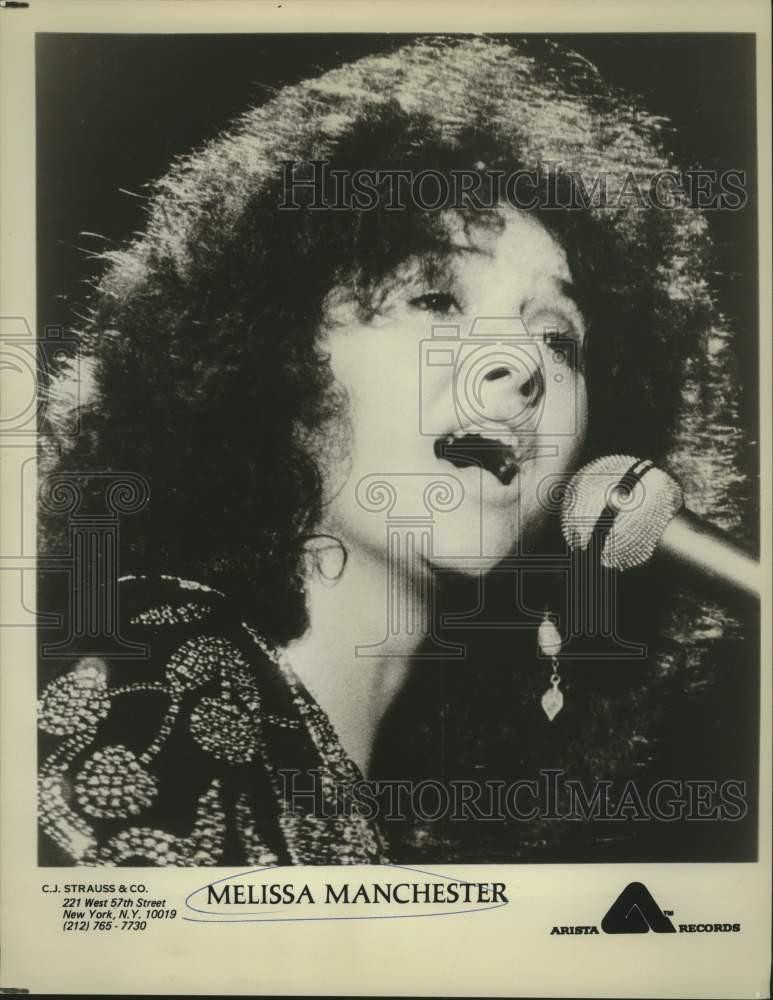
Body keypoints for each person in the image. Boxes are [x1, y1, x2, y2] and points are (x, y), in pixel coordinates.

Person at [38, 36, 747, 867]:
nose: (519, 366)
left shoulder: (376, 803)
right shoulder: (148, 685)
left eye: (559, 338)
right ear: (272, 357)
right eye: (436, 300)